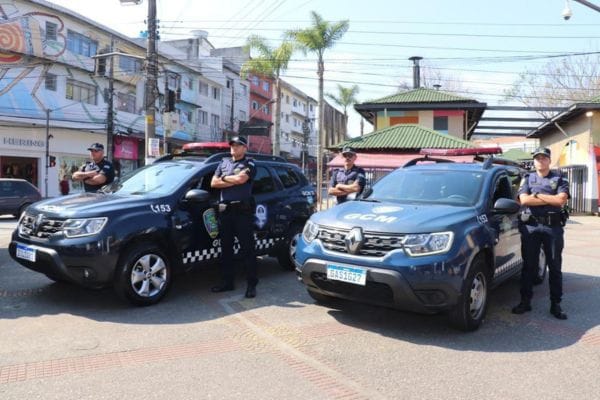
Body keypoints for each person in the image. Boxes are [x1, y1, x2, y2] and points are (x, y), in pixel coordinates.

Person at [512, 147, 570, 320]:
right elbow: (524, 200)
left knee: (554, 267)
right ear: (534, 161)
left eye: (544, 158)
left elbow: (560, 200)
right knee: (529, 266)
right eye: (537, 158)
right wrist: (547, 197)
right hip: (531, 227)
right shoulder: (527, 178)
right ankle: (525, 301)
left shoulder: (559, 178)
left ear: (549, 160)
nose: (540, 161)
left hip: (553, 228)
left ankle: (555, 305)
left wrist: (536, 194)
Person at [210, 136, 258, 298]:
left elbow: (242, 179)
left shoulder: (249, 163)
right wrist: (230, 180)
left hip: (243, 212)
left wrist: (223, 178)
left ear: (245, 148)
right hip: (226, 212)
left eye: (238, 146)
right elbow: (213, 183)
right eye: (232, 145)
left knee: (247, 250)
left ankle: (251, 285)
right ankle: (227, 282)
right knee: (226, 250)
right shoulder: (223, 162)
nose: (234, 148)